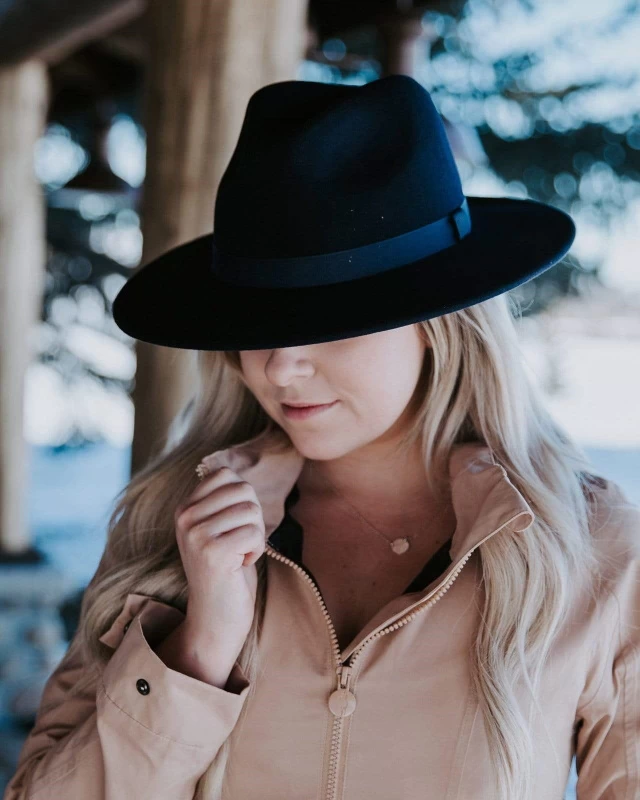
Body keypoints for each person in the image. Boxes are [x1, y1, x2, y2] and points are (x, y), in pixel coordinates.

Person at [4, 75, 639, 800]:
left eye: (333, 321)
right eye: (259, 326)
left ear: (437, 324)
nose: (280, 367)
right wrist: (197, 651)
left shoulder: (591, 548)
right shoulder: (171, 530)